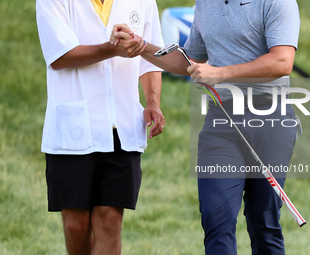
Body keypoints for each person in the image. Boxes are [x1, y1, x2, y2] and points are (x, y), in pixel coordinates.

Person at [111, 0, 300, 254]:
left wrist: (221, 73)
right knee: (215, 218)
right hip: (222, 120)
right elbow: (189, 59)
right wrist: (143, 47)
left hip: (270, 118)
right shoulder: (206, 3)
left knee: (263, 222)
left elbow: (282, 62)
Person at [36, 0, 164, 254]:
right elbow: (60, 56)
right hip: (73, 130)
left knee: (110, 220)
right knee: (76, 225)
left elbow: (151, 58)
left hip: (122, 128)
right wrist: (112, 48)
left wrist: (152, 101)